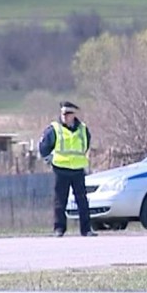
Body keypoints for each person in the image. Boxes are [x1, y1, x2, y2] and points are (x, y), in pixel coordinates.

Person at [39, 101, 97, 237]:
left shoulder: (83, 129)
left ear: (74, 115)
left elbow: (86, 144)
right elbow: (43, 147)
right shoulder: (54, 129)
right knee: (60, 200)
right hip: (61, 169)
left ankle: (86, 229)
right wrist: (50, 161)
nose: (65, 116)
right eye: (63, 113)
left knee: (82, 200)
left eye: (68, 113)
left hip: (77, 169)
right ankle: (59, 229)